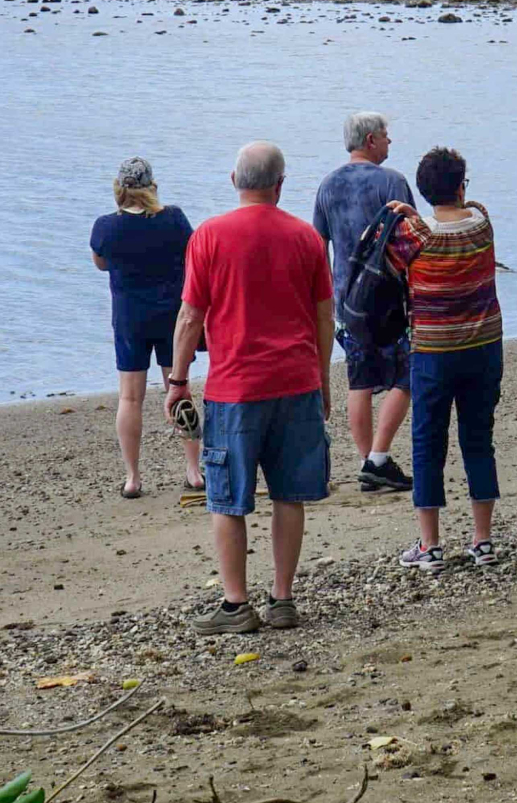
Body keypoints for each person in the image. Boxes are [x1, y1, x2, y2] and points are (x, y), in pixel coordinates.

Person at [165, 142, 334, 634]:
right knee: (289, 494)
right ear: (280, 185)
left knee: (227, 497)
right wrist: (322, 379)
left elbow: (191, 315)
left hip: (235, 388)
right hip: (296, 381)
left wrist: (178, 381)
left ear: (233, 179)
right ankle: (282, 597)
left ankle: (236, 604)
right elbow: (324, 316)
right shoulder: (305, 238)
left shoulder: (209, 237)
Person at [383, 147, 503, 572]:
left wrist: (407, 215)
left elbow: (391, 265)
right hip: (484, 347)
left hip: (433, 351)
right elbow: (471, 205)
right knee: (478, 439)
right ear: (460, 185)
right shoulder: (482, 225)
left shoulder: (415, 235)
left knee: (428, 442)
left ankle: (430, 544)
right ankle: (483, 540)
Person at [313, 111, 415, 492]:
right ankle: (377, 457)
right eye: (386, 136)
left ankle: (367, 459)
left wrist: (327, 294)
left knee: (360, 379)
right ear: (371, 140)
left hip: (347, 300)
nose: (390, 142)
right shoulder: (392, 182)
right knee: (407, 375)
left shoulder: (328, 185)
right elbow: (412, 238)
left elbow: (318, 244)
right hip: (387, 296)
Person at [90, 157, 203, 499]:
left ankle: (133, 477)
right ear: (152, 186)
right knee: (179, 389)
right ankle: (194, 471)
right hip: (172, 316)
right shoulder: (174, 219)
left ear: (120, 190)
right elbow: (193, 255)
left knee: (130, 397)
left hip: (129, 318)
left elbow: (101, 263)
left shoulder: (106, 227)